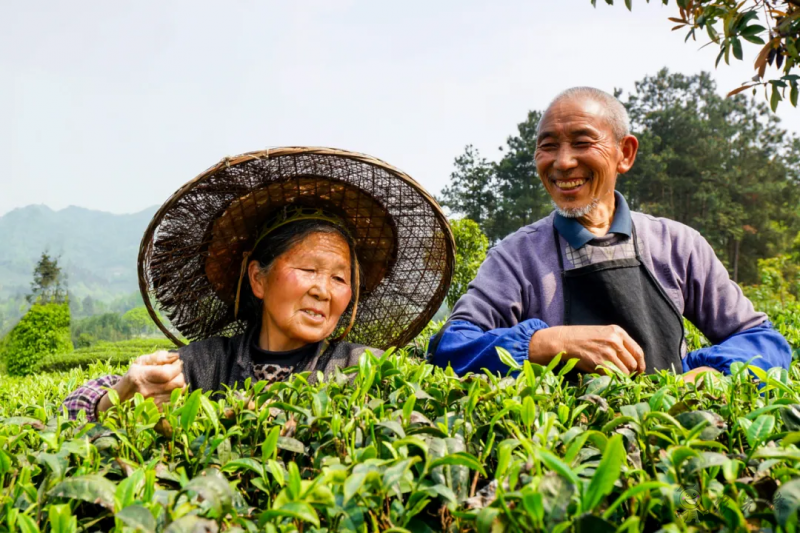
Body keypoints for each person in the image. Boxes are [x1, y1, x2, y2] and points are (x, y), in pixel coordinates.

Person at [63, 147, 454, 421]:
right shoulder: (203, 365)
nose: (324, 289)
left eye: (340, 277)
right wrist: (118, 396)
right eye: (309, 269)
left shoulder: (362, 367)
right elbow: (72, 409)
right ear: (258, 278)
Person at [429, 88, 791, 382]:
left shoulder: (678, 245)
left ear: (625, 153)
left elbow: (764, 342)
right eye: (549, 145)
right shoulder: (516, 257)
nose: (563, 162)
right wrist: (547, 343)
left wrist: (707, 372)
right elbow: (450, 347)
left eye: (583, 142)